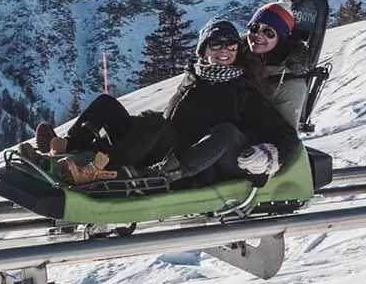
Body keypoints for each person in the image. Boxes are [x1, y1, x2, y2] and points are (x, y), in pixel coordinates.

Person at [35, 18, 300, 189]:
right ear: (203, 50)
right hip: (159, 142)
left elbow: (287, 136)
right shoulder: (195, 76)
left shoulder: (242, 91)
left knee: (155, 124)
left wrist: (266, 157)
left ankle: (101, 171)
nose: (224, 50)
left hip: (185, 162)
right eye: (216, 44)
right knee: (107, 104)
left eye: (231, 45)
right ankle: (64, 146)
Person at [242, 0, 314, 129]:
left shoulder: (291, 84)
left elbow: (285, 133)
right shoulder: (234, 56)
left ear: (280, 39)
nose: (258, 35)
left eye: (268, 33)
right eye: (254, 28)